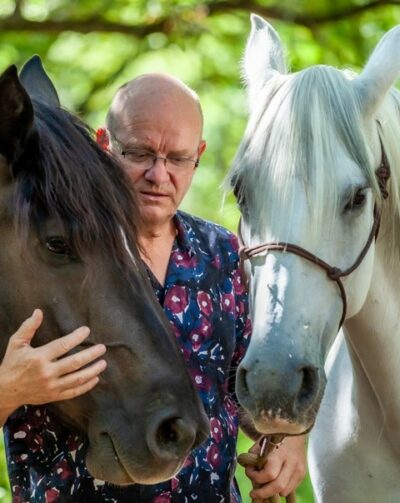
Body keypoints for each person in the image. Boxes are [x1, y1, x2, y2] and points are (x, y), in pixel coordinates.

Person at [1, 73, 306, 502]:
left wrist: (288, 441)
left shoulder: (224, 255)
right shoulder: (47, 250)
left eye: (177, 158)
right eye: (141, 153)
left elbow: (255, 389)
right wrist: (9, 391)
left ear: (197, 157)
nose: (158, 175)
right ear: (104, 145)